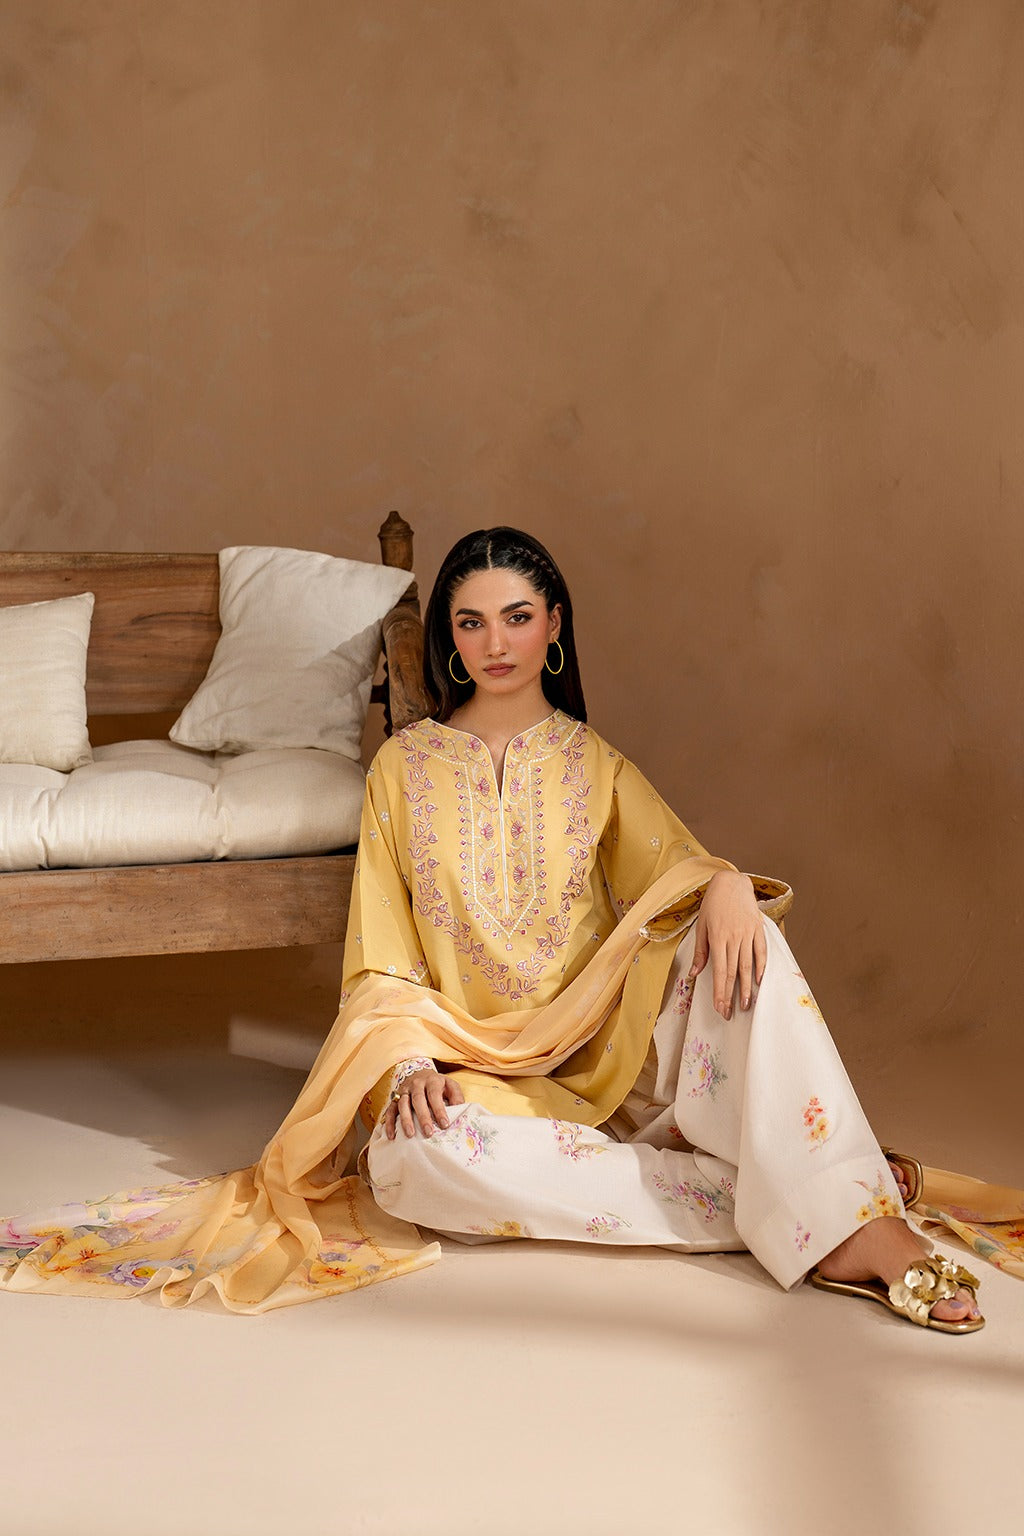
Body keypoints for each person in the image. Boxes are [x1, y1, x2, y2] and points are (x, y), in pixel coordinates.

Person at [0, 528, 1000, 1322]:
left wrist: (728, 884)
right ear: (450, 638)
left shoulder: (591, 761)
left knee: (749, 938)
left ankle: (857, 1228)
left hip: (610, 1048)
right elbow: (381, 959)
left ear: (553, 624)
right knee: (411, 1165)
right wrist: (406, 1071)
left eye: (517, 617)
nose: (496, 643)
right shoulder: (401, 770)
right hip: (475, 1073)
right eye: (471, 622)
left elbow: (674, 875)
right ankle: (801, 1206)